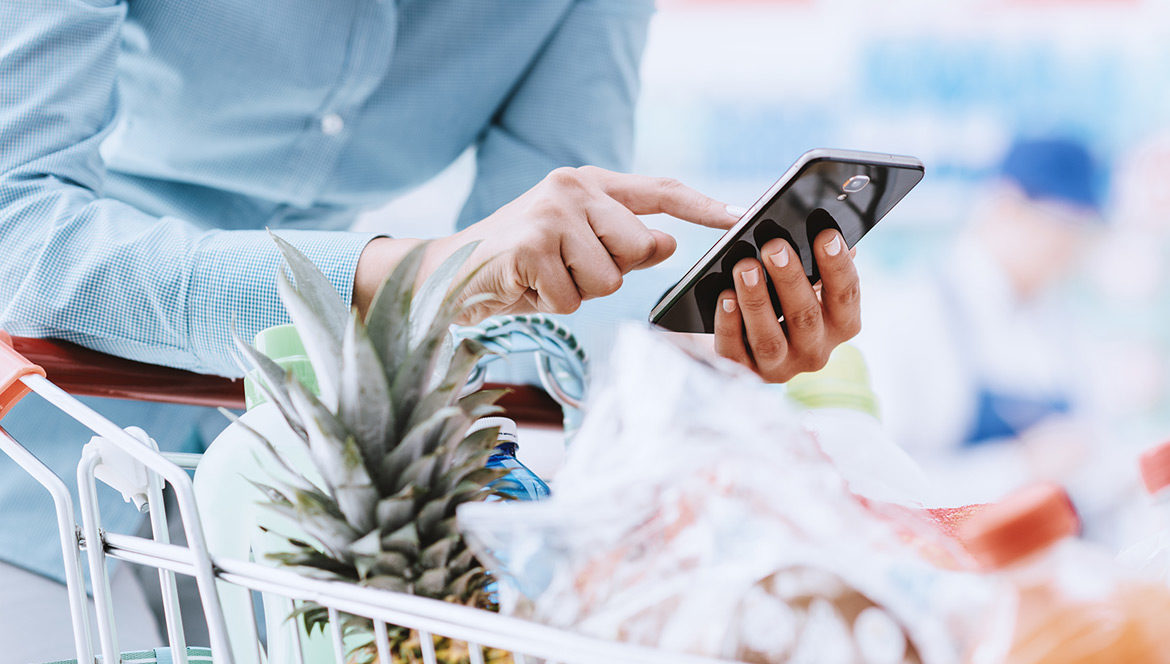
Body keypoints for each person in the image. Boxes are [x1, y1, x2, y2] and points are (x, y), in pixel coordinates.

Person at [0, 1, 861, 658]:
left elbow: (550, 275)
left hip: (307, 517)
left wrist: (679, 361)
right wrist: (423, 274)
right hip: (33, 482)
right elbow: (19, 231)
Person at [857, 136, 1106, 503]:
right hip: (938, 555)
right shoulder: (910, 313)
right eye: (1062, 230)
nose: (1070, 252)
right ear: (1007, 206)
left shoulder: (1062, 322)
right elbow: (880, 483)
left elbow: (1091, 452)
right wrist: (1019, 468)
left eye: (1082, 235)